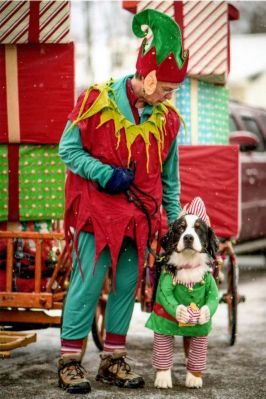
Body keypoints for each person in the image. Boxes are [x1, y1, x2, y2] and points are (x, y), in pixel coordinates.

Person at [57, 8, 189, 394]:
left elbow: (170, 179)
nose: (168, 95)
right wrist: (104, 174)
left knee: (127, 288)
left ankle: (112, 359)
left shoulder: (168, 120)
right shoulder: (95, 100)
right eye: (165, 87)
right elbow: (68, 149)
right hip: (97, 214)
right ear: (147, 78)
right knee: (87, 284)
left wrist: (173, 225)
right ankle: (68, 362)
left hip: (140, 219)